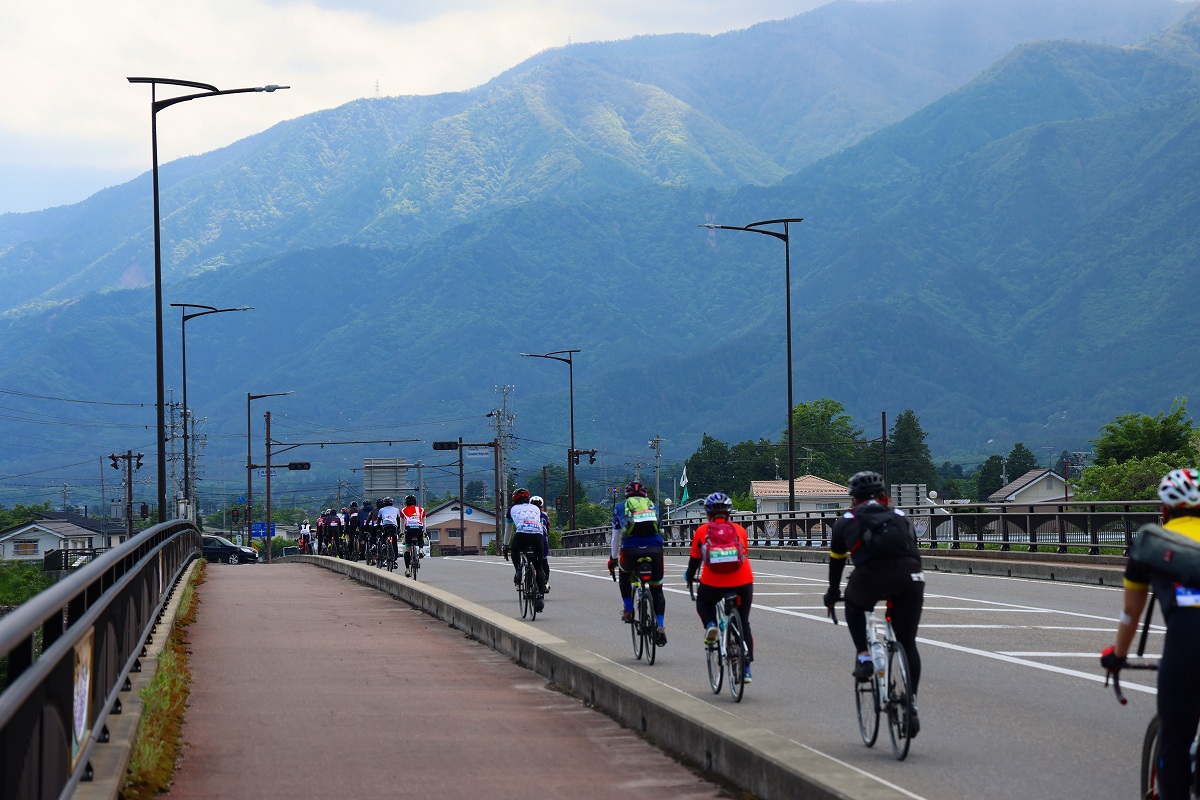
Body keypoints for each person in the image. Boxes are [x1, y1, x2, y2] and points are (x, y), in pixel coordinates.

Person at [1101, 468, 1200, 800]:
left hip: (1189, 645)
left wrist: (1118, 655)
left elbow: (1131, 613)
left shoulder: (1152, 544)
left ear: (1164, 511)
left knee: (1175, 742)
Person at [823, 470, 924, 737]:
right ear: (884, 498)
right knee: (908, 641)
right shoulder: (900, 516)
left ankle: (865, 656)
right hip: (911, 578)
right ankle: (910, 704)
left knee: (855, 606)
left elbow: (837, 562)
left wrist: (833, 594)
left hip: (869, 577)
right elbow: (914, 551)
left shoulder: (846, 520)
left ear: (853, 500)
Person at [684, 492, 755, 682]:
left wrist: (689, 577)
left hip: (713, 582)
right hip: (742, 581)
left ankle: (711, 626)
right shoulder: (740, 530)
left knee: (703, 602)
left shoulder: (702, 531)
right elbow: (743, 555)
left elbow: (694, 562)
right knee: (743, 621)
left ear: (708, 513)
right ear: (729, 513)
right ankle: (746, 667)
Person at [609, 481, 667, 646]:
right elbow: (661, 530)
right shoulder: (654, 506)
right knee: (657, 589)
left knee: (624, 576)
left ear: (627, 495)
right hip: (655, 549)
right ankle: (661, 626)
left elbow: (616, 537)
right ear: (645, 495)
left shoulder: (620, 507)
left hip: (631, 550)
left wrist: (613, 559)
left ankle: (629, 610)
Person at [503, 488, 547, 611]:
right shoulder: (536, 509)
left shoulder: (511, 510)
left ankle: (518, 570)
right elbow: (539, 525)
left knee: (515, 550)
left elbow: (508, 530)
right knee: (539, 568)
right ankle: (540, 598)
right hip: (538, 537)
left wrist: (505, 546)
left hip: (521, 535)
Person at [401, 494, 427, 577]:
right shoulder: (421, 510)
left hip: (409, 529)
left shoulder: (403, 510)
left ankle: (407, 570)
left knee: (407, 549)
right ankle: (421, 549)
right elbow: (424, 523)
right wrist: (424, 532)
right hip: (419, 527)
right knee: (420, 538)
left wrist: (402, 533)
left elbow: (402, 524)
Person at [530, 495, 551, 592]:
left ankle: (524, 578)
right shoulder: (545, 515)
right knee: (543, 561)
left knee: (527, 558)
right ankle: (546, 582)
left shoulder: (526, 514)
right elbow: (548, 528)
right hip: (542, 539)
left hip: (527, 539)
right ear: (541, 506)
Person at [376, 497, 400, 569]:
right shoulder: (396, 509)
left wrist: (378, 529)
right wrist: (398, 529)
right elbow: (398, 520)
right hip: (393, 526)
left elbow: (379, 520)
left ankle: (383, 545)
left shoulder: (381, 510)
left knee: (384, 536)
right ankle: (395, 560)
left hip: (385, 525)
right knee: (394, 542)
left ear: (384, 503)